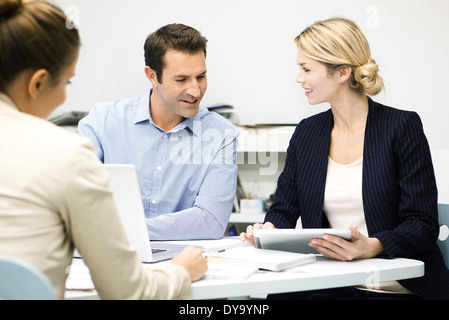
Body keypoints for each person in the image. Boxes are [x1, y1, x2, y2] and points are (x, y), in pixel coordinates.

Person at [0, 0, 207, 300]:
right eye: (68, 81)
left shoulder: (218, 133)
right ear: (38, 83)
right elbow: (129, 294)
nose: (195, 89)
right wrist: (181, 272)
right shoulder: (66, 154)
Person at [240, 17, 449, 300]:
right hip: (335, 280)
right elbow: (285, 209)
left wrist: (372, 246)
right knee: (271, 298)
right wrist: (269, 230)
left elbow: (422, 223)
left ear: (341, 73)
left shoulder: (400, 127)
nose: (298, 78)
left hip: (395, 285)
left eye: (306, 68)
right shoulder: (307, 132)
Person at [77, 23, 239, 241]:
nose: (195, 90)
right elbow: (73, 195)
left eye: (200, 77)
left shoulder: (221, 135)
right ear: (152, 76)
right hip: (111, 257)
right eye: (181, 79)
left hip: (182, 263)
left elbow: (211, 222)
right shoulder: (102, 122)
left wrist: (127, 231)